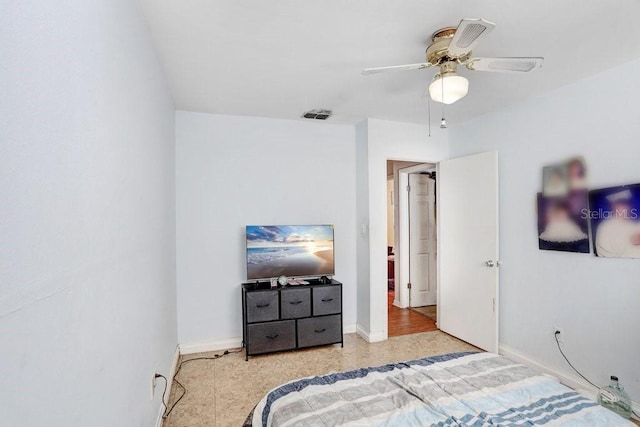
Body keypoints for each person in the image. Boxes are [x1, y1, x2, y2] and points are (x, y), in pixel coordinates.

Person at [595, 189, 640, 258]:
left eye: (626, 203)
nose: (625, 207)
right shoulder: (605, 227)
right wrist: (631, 241)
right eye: (620, 203)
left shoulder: (632, 223)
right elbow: (606, 256)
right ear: (612, 206)